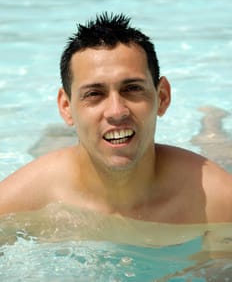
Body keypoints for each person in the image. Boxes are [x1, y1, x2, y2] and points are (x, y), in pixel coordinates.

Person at [0, 12, 232, 223]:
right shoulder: (21, 201)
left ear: (162, 97)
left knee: (216, 148)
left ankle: (211, 123)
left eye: (132, 88)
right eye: (94, 94)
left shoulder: (216, 201)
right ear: (65, 107)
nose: (116, 111)